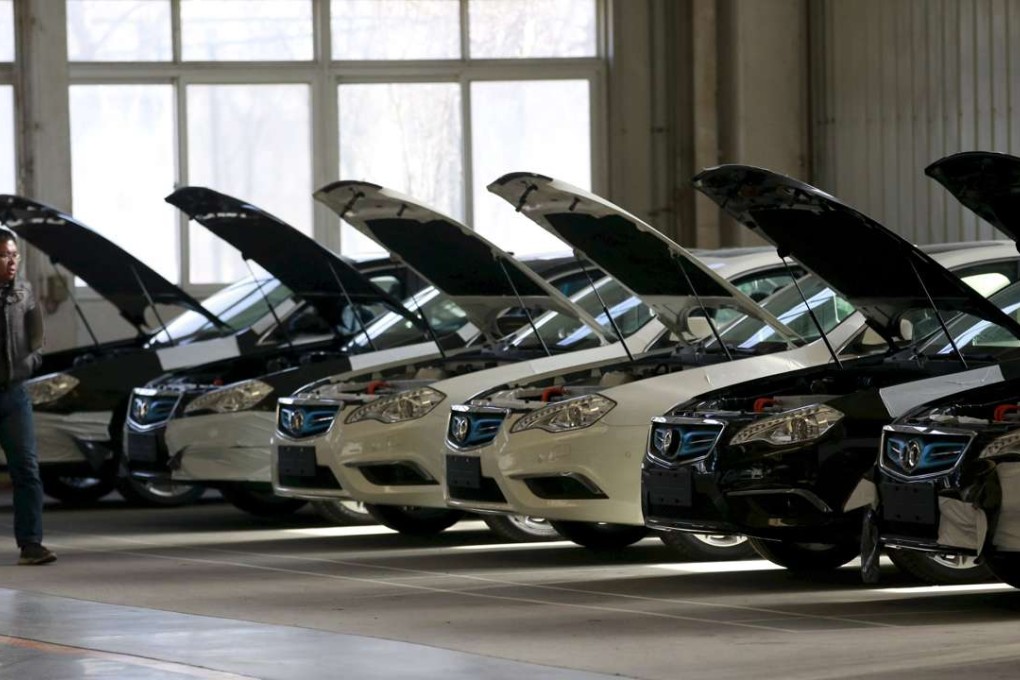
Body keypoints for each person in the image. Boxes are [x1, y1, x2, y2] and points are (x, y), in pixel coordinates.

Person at [0, 229, 53, 565]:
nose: (12, 262)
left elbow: (37, 335)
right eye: (5, 255)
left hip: (15, 394)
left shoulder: (24, 290)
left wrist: (31, 362)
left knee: (27, 470)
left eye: (14, 255)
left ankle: (31, 544)